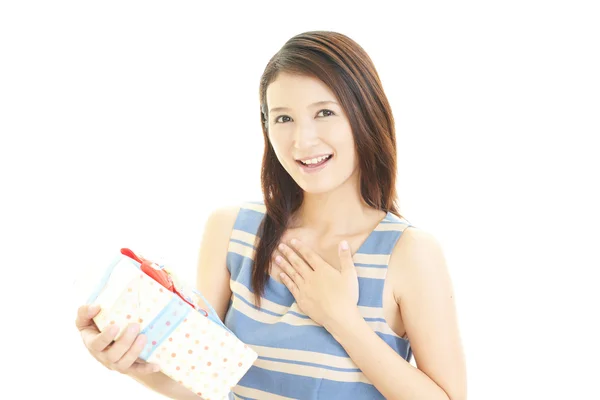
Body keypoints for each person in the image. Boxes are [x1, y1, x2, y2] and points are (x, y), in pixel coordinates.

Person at [75, 30, 467, 400]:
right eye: (283, 118)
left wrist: (342, 320)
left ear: (365, 115)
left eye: (325, 112)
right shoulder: (231, 229)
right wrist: (131, 364)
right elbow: (206, 381)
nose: (303, 140)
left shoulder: (409, 252)